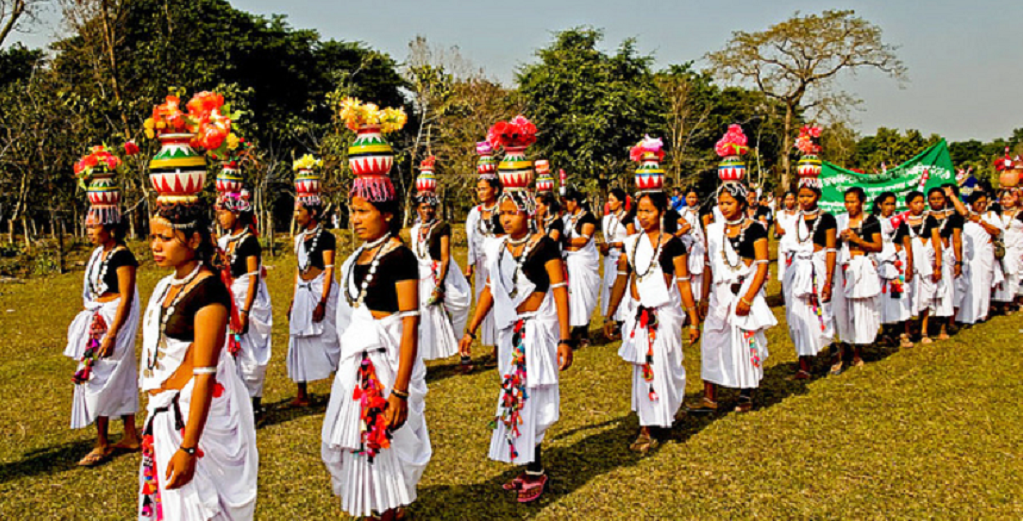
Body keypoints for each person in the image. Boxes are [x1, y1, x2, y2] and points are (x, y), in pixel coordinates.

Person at [322, 109, 430, 520]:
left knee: (383, 447)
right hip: (354, 370)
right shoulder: (357, 257)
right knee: (351, 445)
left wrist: (400, 391)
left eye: (363, 211)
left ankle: (387, 512)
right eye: (352, 212)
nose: (356, 219)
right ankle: (371, 510)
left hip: (384, 371)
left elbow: (409, 324)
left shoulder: (400, 257)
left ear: (386, 212)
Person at [459, 158, 573, 504]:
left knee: (532, 398)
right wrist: (471, 328)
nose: (506, 218)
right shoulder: (498, 247)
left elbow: (560, 291)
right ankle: (527, 466)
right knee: (515, 397)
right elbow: (491, 290)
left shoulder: (544, 246)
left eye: (513, 212)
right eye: (503, 213)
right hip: (510, 333)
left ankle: (536, 471)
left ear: (528, 212)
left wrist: (565, 339)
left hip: (537, 334)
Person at [139, 202, 258, 520]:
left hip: (192, 421)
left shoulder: (208, 292)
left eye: (165, 238)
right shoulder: (166, 286)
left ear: (193, 240)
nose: (155, 246)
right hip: (165, 413)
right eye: (152, 237)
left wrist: (188, 448)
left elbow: (204, 374)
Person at [604, 190, 701, 451]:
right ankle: (647, 427)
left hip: (665, 313)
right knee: (646, 369)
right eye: (640, 211)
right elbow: (622, 278)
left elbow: (682, 283)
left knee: (669, 367)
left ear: (661, 212)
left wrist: (693, 319)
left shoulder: (673, 244)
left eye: (649, 211)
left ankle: (669, 408)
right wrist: (610, 313)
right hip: (639, 314)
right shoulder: (632, 243)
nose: (643, 216)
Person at [66, 163, 141, 467]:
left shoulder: (123, 256)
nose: (89, 232)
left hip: (113, 322)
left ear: (109, 226)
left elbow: (125, 298)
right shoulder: (99, 254)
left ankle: (104, 441)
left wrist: (110, 333)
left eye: (93, 227)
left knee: (103, 375)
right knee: (111, 375)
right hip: (101, 316)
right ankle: (127, 434)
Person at [689, 181, 775, 414]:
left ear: (741, 203)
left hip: (744, 290)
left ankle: (745, 393)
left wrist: (747, 299)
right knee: (711, 341)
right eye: (721, 203)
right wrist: (704, 297)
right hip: (719, 293)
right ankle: (709, 397)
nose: (724, 207)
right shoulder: (714, 230)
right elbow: (708, 263)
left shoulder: (756, 228)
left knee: (745, 342)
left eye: (729, 202)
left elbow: (762, 265)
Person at [216, 190, 273, 419]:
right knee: (230, 353)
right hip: (229, 299)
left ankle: (254, 402)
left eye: (224, 212)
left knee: (251, 353)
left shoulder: (249, 242)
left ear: (236, 213)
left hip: (246, 302)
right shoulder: (225, 241)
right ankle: (235, 399)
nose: (220, 217)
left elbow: (253, 278)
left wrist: (245, 311)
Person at [410, 158, 471, 361]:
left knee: (459, 305)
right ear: (418, 209)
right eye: (423, 207)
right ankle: (423, 356)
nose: (427, 210)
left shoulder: (442, 226)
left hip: (440, 273)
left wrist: (440, 285)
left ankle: (463, 347)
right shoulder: (415, 230)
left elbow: (445, 257)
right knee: (422, 316)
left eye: (430, 207)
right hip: (421, 275)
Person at [287, 179, 339, 407]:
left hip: (319, 291)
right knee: (297, 340)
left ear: (313, 213)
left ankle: (342, 387)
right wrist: (292, 300)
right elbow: (297, 272)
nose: (297, 216)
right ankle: (302, 394)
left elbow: (329, 270)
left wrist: (322, 302)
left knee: (329, 337)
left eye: (300, 211)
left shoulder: (327, 237)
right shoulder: (298, 240)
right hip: (302, 293)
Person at [784, 180, 837, 380]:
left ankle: (833, 353)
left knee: (821, 314)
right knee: (798, 317)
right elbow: (787, 248)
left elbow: (831, 249)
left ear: (818, 197)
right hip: (797, 273)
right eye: (802, 196)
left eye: (809, 196)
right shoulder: (794, 221)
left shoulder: (827, 219)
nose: (805, 200)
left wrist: (828, 280)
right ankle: (804, 365)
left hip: (819, 270)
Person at [830, 187, 882, 374]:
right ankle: (845, 348)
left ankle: (858, 351)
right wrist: (839, 239)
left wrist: (857, 239)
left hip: (861, 266)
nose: (850, 205)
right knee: (842, 310)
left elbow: (878, 246)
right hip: (842, 268)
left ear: (862, 202)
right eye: (847, 201)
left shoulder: (871, 221)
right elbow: (832, 244)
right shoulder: (839, 220)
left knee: (859, 310)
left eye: (853, 201)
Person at [465, 171, 504, 362]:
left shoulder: (503, 209)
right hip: (482, 264)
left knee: (500, 301)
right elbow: (471, 239)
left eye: (484, 188)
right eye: (478, 189)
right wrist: (469, 265)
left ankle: (502, 345)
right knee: (484, 302)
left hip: (500, 259)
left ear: (495, 190)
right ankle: (493, 345)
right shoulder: (475, 213)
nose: (480, 192)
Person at [895, 191, 942, 343]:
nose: (919, 205)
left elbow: (936, 243)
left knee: (926, 296)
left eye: (922, 202)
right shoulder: (902, 221)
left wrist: (938, 265)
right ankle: (906, 331)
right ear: (908, 204)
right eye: (916, 202)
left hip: (926, 263)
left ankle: (924, 331)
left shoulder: (930, 220)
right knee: (907, 296)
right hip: (908, 264)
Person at [872, 192, 913, 348]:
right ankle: (884, 332)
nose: (890, 207)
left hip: (897, 265)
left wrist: (909, 265)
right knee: (880, 299)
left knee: (898, 298)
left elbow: (907, 244)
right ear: (879, 205)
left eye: (893, 204)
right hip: (879, 264)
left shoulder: (901, 223)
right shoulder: (873, 222)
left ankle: (902, 332)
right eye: (887, 204)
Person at [562, 187, 601, 347]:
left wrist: (563, 242)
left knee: (584, 296)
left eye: (567, 203)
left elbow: (583, 241)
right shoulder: (566, 218)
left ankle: (582, 330)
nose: (565, 206)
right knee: (573, 296)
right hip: (570, 260)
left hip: (584, 262)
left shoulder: (588, 218)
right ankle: (576, 330)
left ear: (575, 202)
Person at [955, 191, 1001, 325]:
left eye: (984, 203)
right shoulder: (965, 216)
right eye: (978, 203)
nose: (982, 206)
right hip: (968, 255)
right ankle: (965, 315)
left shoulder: (991, 215)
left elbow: (997, 231)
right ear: (971, 204)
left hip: (984, 254)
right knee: (968, 284)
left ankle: (982, 313)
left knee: (984, 283)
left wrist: (981, 221)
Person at [926, 187, 964, 339]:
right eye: (933, 199)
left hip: (947, 255)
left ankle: (943, 327)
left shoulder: (953, 216)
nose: (936, 202)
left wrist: (958, 261)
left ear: (945, 199)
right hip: (928, 256)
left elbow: (956, 239)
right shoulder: (924, 217)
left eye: (939, 198)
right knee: (928, 291)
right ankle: (926, 327)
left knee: (946, 290)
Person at [600, 188, 633, 337]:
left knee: (621, 288)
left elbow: (632, 239)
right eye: (609, 200)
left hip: (622, 257)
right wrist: (605, 247)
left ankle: (623, 321)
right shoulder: (607, 218)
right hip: (609, 257)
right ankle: (612, 318)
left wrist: (614, 245)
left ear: (621, 202)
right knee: (610, 287)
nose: (609, 203)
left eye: (612, 200)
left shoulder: (628, 218)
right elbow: (607, 237)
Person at [992, 189, 1021, 314]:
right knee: (1001, 273)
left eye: (1009, 198)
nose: (1006, 201)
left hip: (1017, 247)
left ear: (1015, 198)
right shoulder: (996, 213)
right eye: (1004, 199)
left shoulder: (1021, 213)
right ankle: (999, 301)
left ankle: (1011, 301)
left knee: (1014, 273)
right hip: (1001, 247)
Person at [677, 189, 706, 305]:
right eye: (689, 197)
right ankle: (688, 301)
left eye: (694, 197)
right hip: (685, 245)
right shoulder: (681, 212)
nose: (692, 200)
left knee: (699, 274)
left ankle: (699, 299)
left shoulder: (702, 212)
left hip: (700, 245)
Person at [774, 190, 799, 292]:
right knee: (783, 269)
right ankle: (783, 291)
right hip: (785, 246)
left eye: (792, 199)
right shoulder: (780, 214)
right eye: (787, 199)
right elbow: (779, 230)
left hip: (797, 245)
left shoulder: (799, 214)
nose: (789, 202)